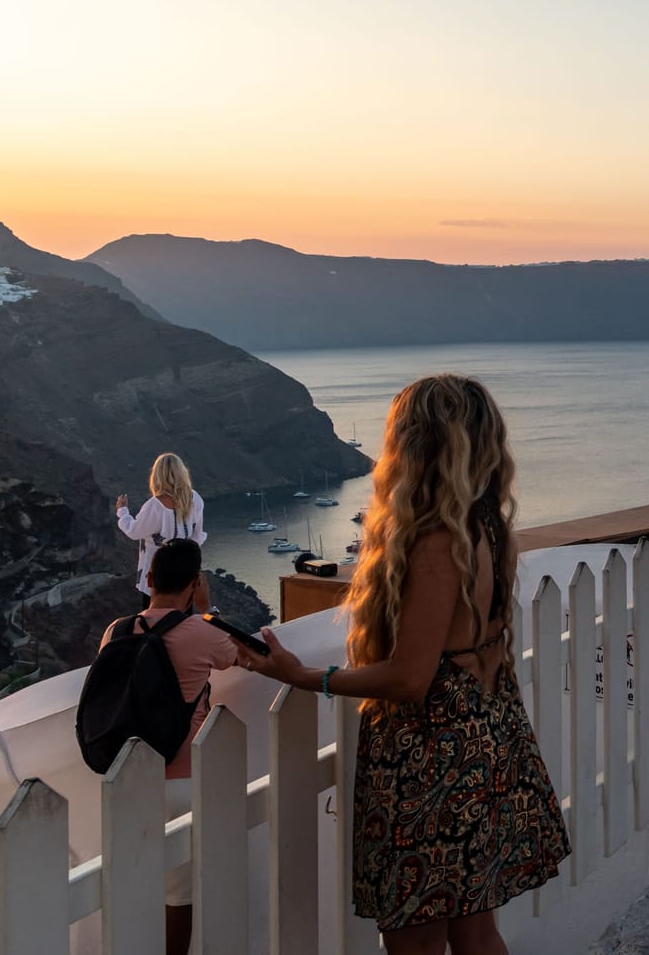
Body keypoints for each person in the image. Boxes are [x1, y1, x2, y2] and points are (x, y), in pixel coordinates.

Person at [242, 375, 568, 954]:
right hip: (486, 736)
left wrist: (302, 675)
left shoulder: (437, 540)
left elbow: (410, 678)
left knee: (414, 943)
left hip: (435, 759)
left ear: (415, 445)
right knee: (475, 930)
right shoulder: (485, 523)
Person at [96, 537, 235, 955]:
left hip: (127, 781)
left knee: (132, 884)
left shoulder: (115, 631)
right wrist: (208, 608)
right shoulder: (199, 631)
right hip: (179, 781)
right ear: (194, 583)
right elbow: (237, 656)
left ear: (150, 578)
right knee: (177, 896)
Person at [116, 453, 208, 606]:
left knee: (155, 624)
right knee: (182, 625)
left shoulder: (155, 506)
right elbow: (198, 537)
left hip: (157, 580)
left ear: (157, 476)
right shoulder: (195, 499)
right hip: (184, 577)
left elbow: (133, 531)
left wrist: (122, 512)